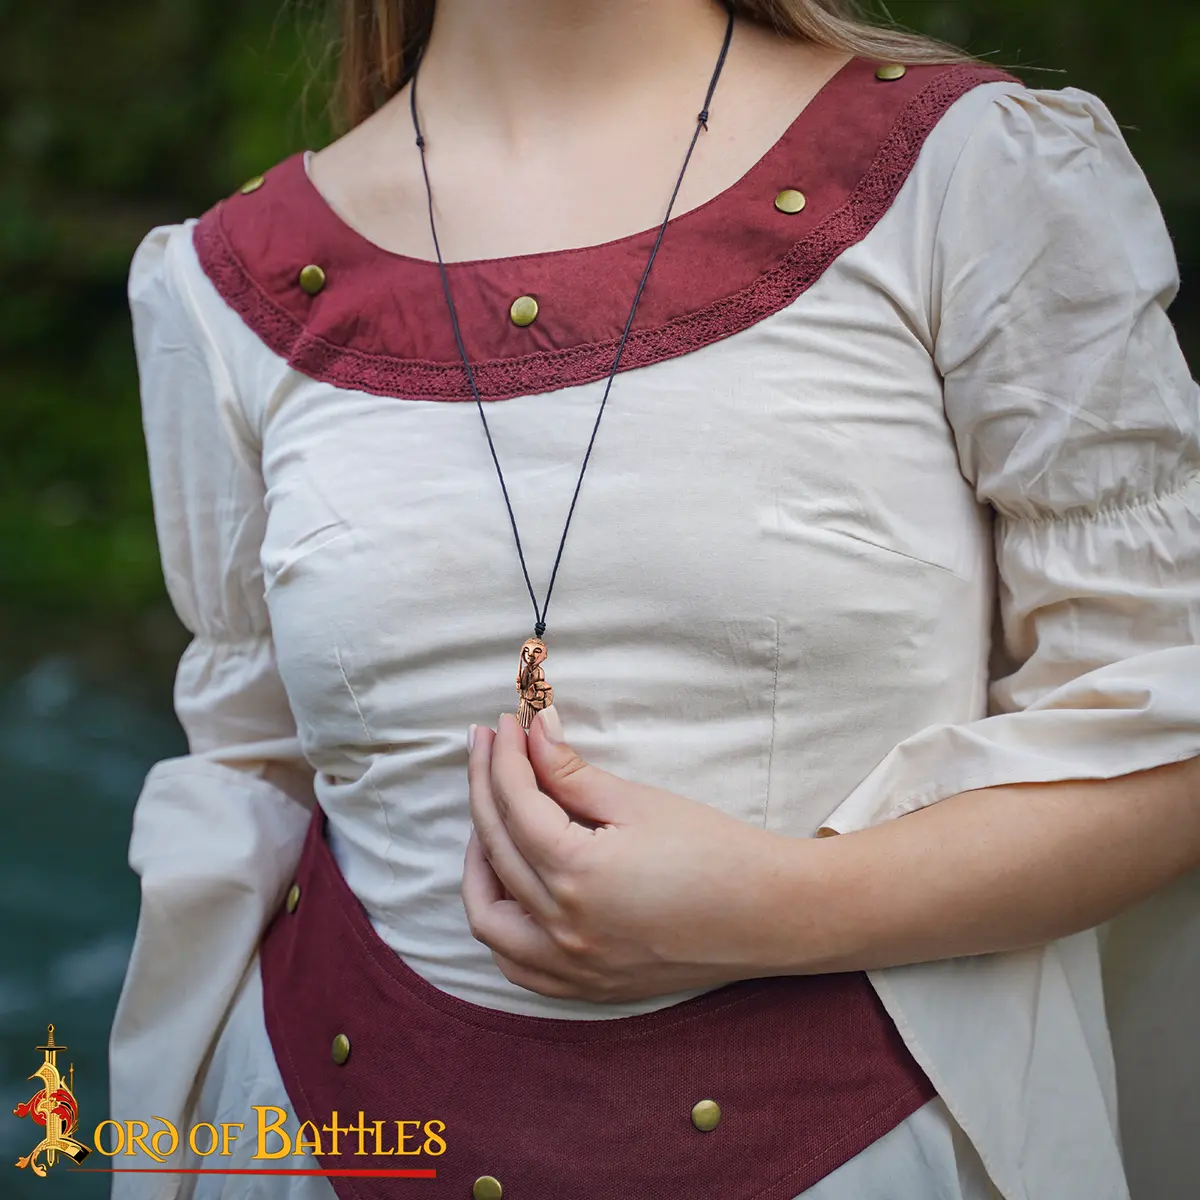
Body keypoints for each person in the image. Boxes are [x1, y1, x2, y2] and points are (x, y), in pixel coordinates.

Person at [110, 1, 1200, 1198]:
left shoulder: (970, 173)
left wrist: (783, 909)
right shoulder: (224, 285)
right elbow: (253, 792)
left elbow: (1170, 737)